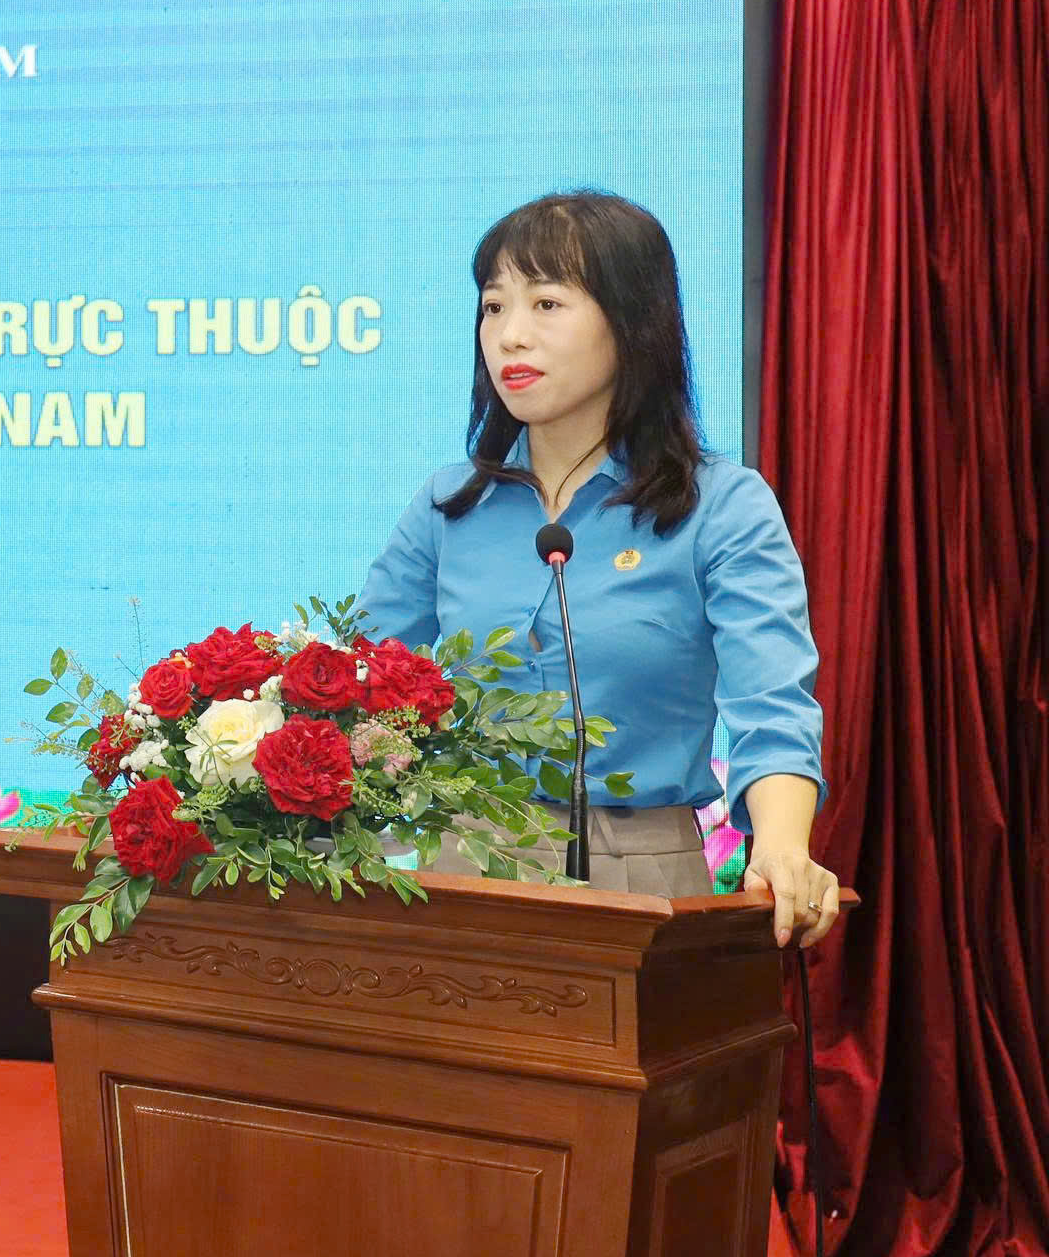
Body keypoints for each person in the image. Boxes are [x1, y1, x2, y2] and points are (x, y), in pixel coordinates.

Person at [357, 190, 840, 947]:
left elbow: (771, 706)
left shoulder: (720, 505)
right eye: (493, 306)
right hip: (463, 870)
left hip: (641, 876)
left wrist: (781, 845)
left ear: (632, 322)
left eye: (546, 303)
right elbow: (360, 682)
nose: (510, 334)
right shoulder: (450, 506)